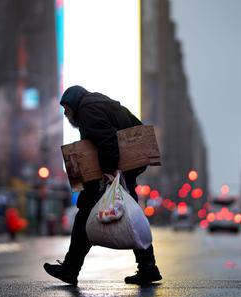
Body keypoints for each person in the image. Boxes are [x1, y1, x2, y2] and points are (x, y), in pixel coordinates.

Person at [44, 85, 162, 285]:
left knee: (84, 215)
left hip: (108, 173)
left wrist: (111, 170)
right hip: (121, 171)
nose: (65, 114)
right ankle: (148, 267)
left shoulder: (88, 109)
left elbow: (106, 140)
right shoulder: (102, 103)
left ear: (74, 102)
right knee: (131, 216)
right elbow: (136, 128)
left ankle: (71, 268)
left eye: (66, 108)